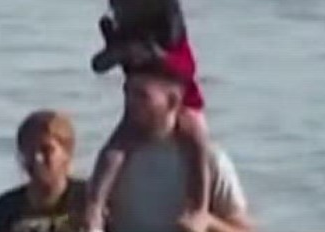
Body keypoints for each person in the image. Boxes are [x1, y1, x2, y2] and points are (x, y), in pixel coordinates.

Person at [85, 0, 213, 231]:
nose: (117, 13)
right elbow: (99, 65)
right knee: (113, 151)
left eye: (121, 7)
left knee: (197, 142)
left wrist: (153, 55)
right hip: (137, 106)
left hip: (181, 105)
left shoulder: (173, 39)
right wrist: (116, 51)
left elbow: (186, 71)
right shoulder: (128, 38)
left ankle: (198, 208)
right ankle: (95, 207)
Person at [96, 65, 252, 232]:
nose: (130, 104)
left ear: (173, 101)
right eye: (127, 93)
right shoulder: (115, 159)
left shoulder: (211, 160)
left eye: (142, 96)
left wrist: (209, 223)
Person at [0, 110, 86, 232]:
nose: (37, 158)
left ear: (67, 152)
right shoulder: (5, 209)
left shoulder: (89, 201)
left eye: (47, 150)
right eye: (29, 150)